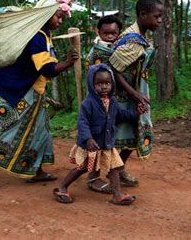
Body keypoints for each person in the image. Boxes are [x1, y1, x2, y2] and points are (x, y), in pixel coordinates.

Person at [0, 0, 79, 190]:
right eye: (58, 16)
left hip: (30, 90)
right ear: (46, 14)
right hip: (15, 90)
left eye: (62, 18)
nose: (60, 21)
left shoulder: (43, 34)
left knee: (40, 130)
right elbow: (46, 69)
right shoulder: (37, 36)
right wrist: (67, 63)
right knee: (8, 130)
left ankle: (36, 170)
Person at [53, 64, 139, 205]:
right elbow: (82, 123)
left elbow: (120, 115)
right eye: (99, 84)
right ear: (92, 85)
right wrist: (88, 139)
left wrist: (137, 114)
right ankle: (62, 187)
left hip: (106, 144)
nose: (104, 86)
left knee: (113, 168)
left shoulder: (112, 102)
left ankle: (117, 195)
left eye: (107, 83)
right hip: (92, 145)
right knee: (83, 168)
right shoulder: (88, 103)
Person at [108, 0, 164, 186]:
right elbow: (114, 69)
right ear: (143, 14)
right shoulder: (133, 41)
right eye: (157, 16)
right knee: (120, 135)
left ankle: (119, 170)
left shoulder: (142, 35)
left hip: (135, 92)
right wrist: (134, 94)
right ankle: (110, 174)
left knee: (134, 133)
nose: (159, 21)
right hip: (124, 95)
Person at [84, 15, 123, 193]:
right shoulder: (99, 52)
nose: (109, 36)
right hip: (96, 103)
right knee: (96, 142)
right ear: (99, 32)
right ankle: (93, 177)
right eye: (106, 33)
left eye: (113, 33)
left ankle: (113, 172)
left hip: (107, 101)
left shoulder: (115, 49)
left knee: (106, 141)